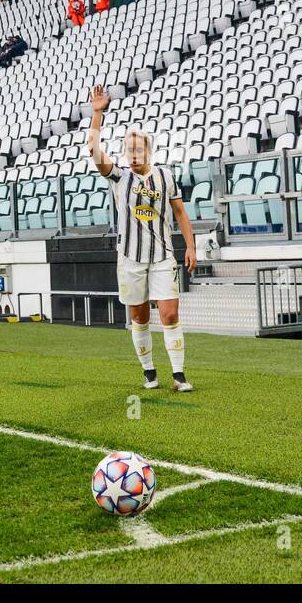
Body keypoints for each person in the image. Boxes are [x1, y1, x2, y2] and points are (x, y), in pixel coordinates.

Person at [86, 84, 197, 392]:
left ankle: (179, 374)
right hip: (131, 258)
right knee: (139, 315)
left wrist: (190, 246)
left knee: (170, 313)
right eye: (129, 150)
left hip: (162, 256)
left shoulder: (165, 176)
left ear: (148, 151)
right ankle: (149, 371)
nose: (133, 155)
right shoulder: (119, 177)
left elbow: (180, 214)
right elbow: (94, 152)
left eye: (138, 150)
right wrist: (97, 114)